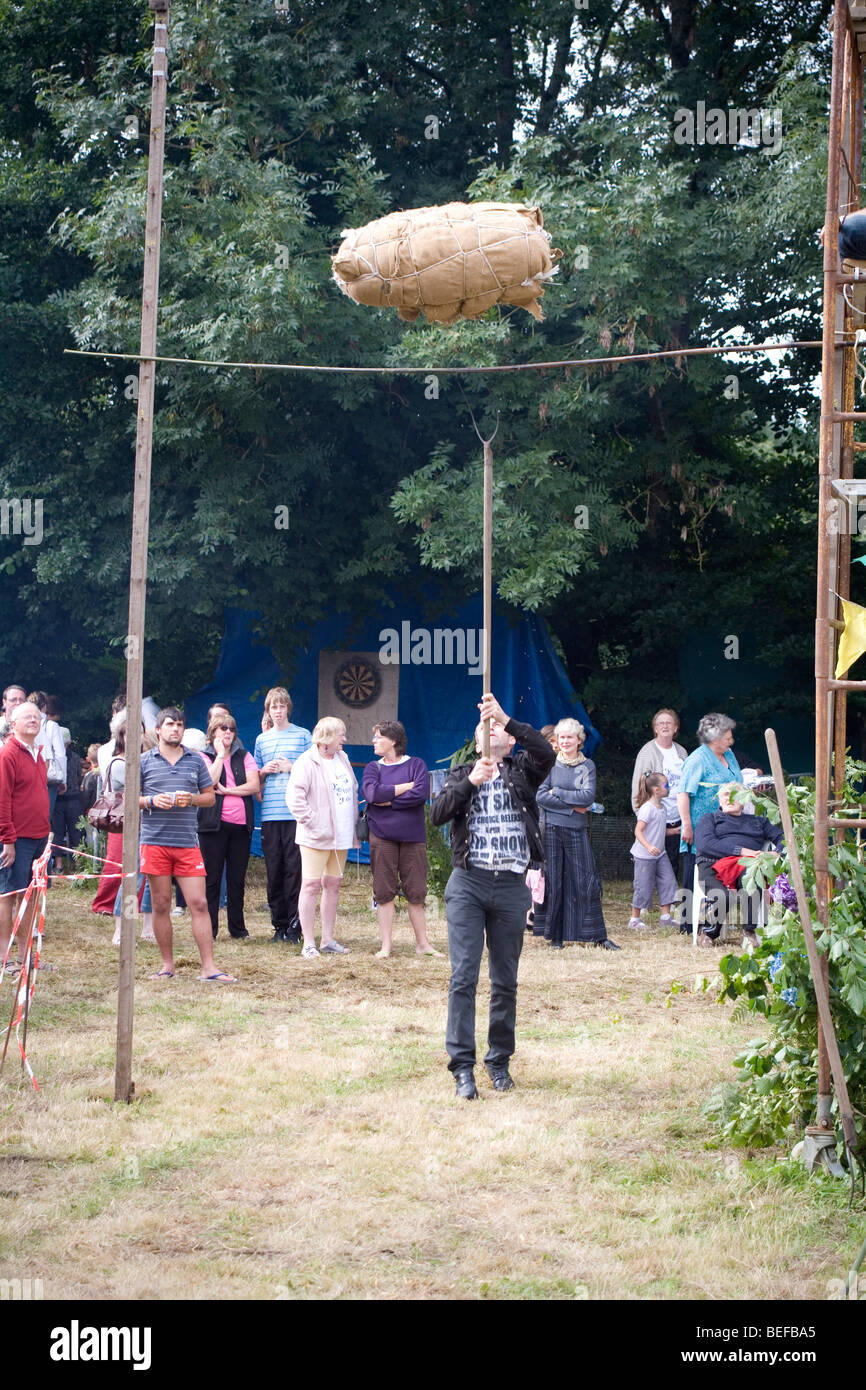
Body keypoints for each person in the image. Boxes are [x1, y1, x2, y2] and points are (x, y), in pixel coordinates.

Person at [431, 693, 555, 1099]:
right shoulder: (463, 771)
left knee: (505, 980)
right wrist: (471, 782)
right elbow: (438, 813)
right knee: (463, 975)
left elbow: (544, 751)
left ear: (509, 740)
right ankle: (462, 1067)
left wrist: (506, 716)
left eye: (498, 728)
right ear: (477, 739)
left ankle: (498, 1061)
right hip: (469, 883)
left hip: (510, 886)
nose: (492, 729)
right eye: (487, 726)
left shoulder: (523, 771)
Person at [138, 706, 233, 982]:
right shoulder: (144, 761)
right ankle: (167, 966)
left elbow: (209, 797)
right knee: (161, 904)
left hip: (187, 842)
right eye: (170, 724)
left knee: (199, 903)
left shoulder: (195, 761)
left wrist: (190, 799)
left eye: (179, 724)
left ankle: (209, 968)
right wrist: (152, 801)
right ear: (158, 730)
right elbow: (131, 799)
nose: (175, 729)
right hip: (154, 842)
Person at [537, 717, 619, 951]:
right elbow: (541, 796)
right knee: (555, 880)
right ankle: (555, 937)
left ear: (579, 740)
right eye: (561, 737)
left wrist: (559, 792)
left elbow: (587, 798)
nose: (565, 741)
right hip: (552, 829)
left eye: (569, 737)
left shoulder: (587, 766)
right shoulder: (550, 764)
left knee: (585, 879)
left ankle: (597, 936)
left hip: (577, 829)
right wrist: (572, 807)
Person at [361, 720, 440, 958]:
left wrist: (389, 801)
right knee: (383, 891)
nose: (374, 741)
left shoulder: (416, 764)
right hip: (381, 836)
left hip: (413, 837)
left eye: (378, 736)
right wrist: (403, 788)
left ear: (393, 740)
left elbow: (420, 794)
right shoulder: (373, 768)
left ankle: (422, 944)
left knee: (416, 890)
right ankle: (386, 945)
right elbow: (372, 793)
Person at [286, 716, 358, 958]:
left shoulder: (343, 758)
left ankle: (327, 938)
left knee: (333, 884)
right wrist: (314, 822)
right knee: (311, 885)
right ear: (327, 737)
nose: (344, 739)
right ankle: (308, 942)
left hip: (342, 834)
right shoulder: (306, 762)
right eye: (341, 734)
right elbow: (295, 800)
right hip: (315, 836)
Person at [693, 783, 784, 949]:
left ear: (744, 799)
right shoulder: (710, 819)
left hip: (747, 865)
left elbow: (783, 838)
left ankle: (748, 932)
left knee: (753, 878)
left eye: (735, 794)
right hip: (713, 865)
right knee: (724, 896)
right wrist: (742, 851)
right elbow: (705, 844)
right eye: (725, 795)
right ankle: (707, 932)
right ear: (719, 800)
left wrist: (777, 853)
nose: (729, 798)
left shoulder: (758, 822)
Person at [254, 687, 311, 943]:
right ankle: (278, 926)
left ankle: (295, 926)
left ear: (288, 708)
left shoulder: (303, 736)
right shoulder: (261, 740)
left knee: (294, 869)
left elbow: (314, 768)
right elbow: (254, 779)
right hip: (270, 815)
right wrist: (264, 771)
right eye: (272, 707)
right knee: (274, 869)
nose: (277, 711)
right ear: (268, 711)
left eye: (281, 706)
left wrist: (292, 766)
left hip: (295, 814)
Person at [199, 713, 259, 940]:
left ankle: (238, 929)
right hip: (212, 826)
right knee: (212, 879)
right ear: (213, 732)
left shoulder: (244, 755)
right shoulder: (203, 756)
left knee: (237, 879)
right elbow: (209, 781)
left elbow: (253, 785)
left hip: (241, 826)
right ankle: (210, 929)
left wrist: (228, 791)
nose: (228, 732)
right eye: (223, 728)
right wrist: (220, 756)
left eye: (231, 729)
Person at [0, 702, 50, 970]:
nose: (33, 720)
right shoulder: (8, 754)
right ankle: (4, 958)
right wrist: (7, 839)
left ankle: (25, 956)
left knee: (30, 896)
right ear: (13, 723)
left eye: (37, 716)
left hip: (39, 836)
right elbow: (2, 799)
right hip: (16, 839)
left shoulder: (37, 754)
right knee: (8, 894)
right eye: (27, 717)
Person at [630, 709, 688, 892]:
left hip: (678, 816)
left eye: (669, 723)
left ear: (676, 728)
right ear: (655, 728)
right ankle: (644, 901)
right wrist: (642, 814)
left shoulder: (681, 752)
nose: (665, 726)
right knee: (649, 861)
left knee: (673, 860)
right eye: (660, 723)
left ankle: (668, 899)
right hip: (655, 816)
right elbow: (638, 786)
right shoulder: (647, 752)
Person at [676, 713, 743, 867]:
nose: (731, 742)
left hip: (728, 829)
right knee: (697, 880)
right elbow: (683, 794)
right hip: (702, 831)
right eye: (727, 739)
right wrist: (686, 826)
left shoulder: (729, 754)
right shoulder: (697, 759)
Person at [627, 772, 679, 930]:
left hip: (660, 854)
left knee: (669, 882)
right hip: (644, 856)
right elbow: (638, 831)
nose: (669, 788)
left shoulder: (662, 808)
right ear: (656, 789)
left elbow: (658, 830)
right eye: (666, 785)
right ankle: (634, 920)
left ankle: (665, 917)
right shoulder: (647, 808)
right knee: (643, 886)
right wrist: (649, 846)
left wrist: (675, 831)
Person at [28, 690, 66, 816]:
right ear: (44, 706)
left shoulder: (24, 724)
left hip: (28, 776)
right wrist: (63, 780)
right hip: (48, 777)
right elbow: (60, 754)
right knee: (45, 816)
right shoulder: (52, 726)